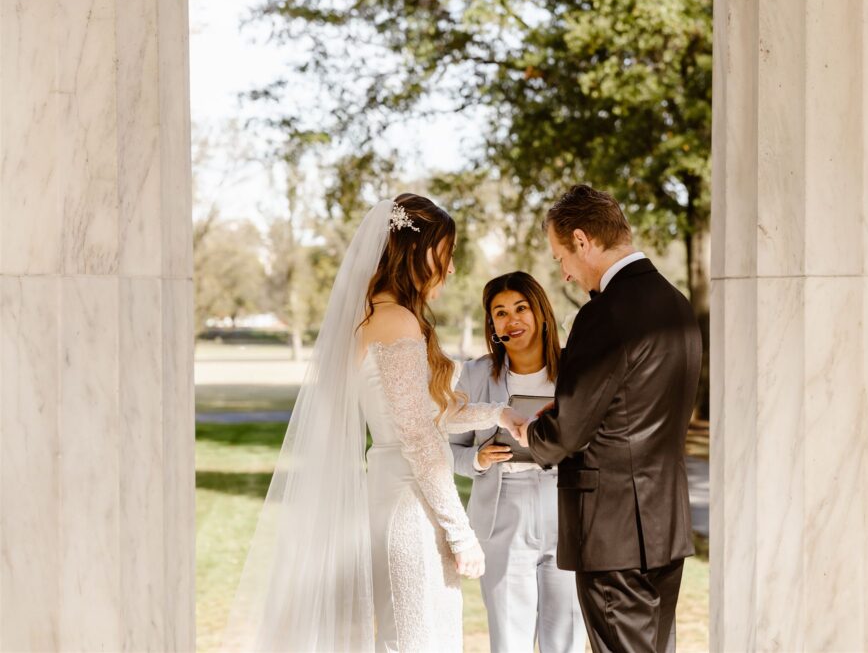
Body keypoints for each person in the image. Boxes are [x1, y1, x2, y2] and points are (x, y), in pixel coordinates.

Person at [221, 195, 527, 653]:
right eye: (446, 252)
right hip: (411, 506)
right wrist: (462, 534)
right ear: (416, 252)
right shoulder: (395, 321)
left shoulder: (377, 315)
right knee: (416, 639)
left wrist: (500, 413)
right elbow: (420, 438)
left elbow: (428, 415)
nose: (451, 267)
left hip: (398, 493)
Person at [512, 184, 702, 653]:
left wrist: (531, 432)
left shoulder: (604, 314)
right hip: (665, 524)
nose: (566, 273)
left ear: (582, 240)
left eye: (561, 258)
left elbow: (567, 433)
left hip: (612, 531)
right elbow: (643, 403)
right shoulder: (677, 305)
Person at [450, 272, 585, 653]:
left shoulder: (575, 369)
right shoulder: (475, 375)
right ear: (492, 326)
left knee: (568, 638)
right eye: (501, 313)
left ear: (541, 312)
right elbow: (447, 449)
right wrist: (476, 459)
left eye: (521, 308)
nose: (513, 320)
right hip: (501, 512)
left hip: (566, 505)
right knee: (510, 640)